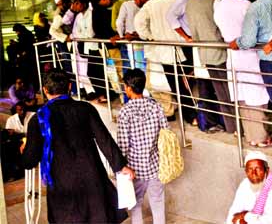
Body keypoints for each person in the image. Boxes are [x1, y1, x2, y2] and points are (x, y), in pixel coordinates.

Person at [22, 69, 134, 223]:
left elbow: (30, 161)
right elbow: (104, 140)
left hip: (62, 189)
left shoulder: (38, 119)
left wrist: (24, 150)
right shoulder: (85, 109)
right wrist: (121, 166)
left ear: (45, 90)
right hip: (92, 179)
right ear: (69, 86)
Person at [214, 0, 272, 146]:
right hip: (250, 54)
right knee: (257, 95)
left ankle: (251, 136)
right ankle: (262, 137)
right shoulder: (246, 4)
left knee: (243, 98)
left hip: (233, 57)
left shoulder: (217, 8)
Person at [134, 0, 196, 123]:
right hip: (183, 48)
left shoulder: (151, 4)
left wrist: (149, 36)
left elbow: (138, 22)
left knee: (176, 84)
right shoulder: (182, 0)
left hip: (163, 51)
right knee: (189, 82)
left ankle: (189, 115)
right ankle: (194, 113)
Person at [186, 0, 236, 133]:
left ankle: (231, 127)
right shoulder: (212, 0)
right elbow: (223, 25)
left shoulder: (189, 3)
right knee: (230, 91)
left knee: (220, 92)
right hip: (219, 51)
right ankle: (237, 126)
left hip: (204, 54)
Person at [117, 69, 168, 224]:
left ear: (129, 88)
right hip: (155, 166)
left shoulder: (125, 112)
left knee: (135, 203)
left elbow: (123, 144)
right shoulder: (156, 107)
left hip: (134, 169)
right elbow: (166, 135)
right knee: (157, 202)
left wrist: (120, 166)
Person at [1, 101, 32, 181]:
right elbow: (9, 135)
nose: (22, 112)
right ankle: (14, 172)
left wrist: (20, 135)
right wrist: (22, 136)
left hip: (32, 141)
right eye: (20, 110)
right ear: (16, 110)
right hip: (17, 143)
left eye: (24, 109)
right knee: (8, 148)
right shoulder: (11, 120)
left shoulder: (33, 115)